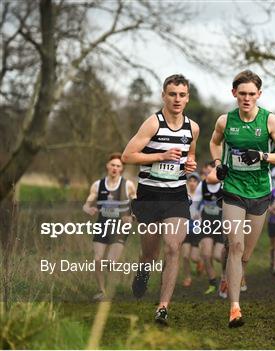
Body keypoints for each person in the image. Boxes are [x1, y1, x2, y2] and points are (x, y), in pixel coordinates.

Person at [209, 70, 275, 327]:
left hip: (259, 192)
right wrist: (217, 163)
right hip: (233, 190)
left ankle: (233, 275)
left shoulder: (270, 121)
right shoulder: (225, 121)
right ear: (234, 93)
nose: (246, 98)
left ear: (259, 95)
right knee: (235, 246)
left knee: (245, 254)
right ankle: (235, 307)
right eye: (242, 93)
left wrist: (262, 156)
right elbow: (215, 143)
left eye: (251, 94)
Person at [121, 74, 199, 324]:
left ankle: (163, 307)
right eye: (172, 94)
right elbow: (128, 156)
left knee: (173, 246)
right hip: (150, 195)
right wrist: (160, 156)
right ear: (164, 96)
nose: (177, 99)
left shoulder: (192, 128)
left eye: (182, 95)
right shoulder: (152, 124)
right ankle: (143, 272)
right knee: (150, 253)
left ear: (187, 98)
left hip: (176, 194)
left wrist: (190, 166)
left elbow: (190, 158)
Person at [83, 152, 136, 301]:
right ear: (107, 166)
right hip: (103, 224)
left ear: (121, 169)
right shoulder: (98, 185)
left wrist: (131, 216)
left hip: (120, 227)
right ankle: (102, 291)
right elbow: (87, 204)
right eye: (112, 165)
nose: (115, 168)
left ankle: (114, 286)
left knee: (111, 263)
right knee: (98, 259)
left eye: (118, 166)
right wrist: (88, 209)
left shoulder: (128, 185)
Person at [191, 163, 226, 295]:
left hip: (221, 223)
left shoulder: (224, 185)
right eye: (205, 173)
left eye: (210, 172)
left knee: (218, 256)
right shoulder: (202, 185)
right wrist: (195, 214)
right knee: (206, 254)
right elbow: (195, 202)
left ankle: (224, 276)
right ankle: (212, 282)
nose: (207, 175)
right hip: (206, 222)